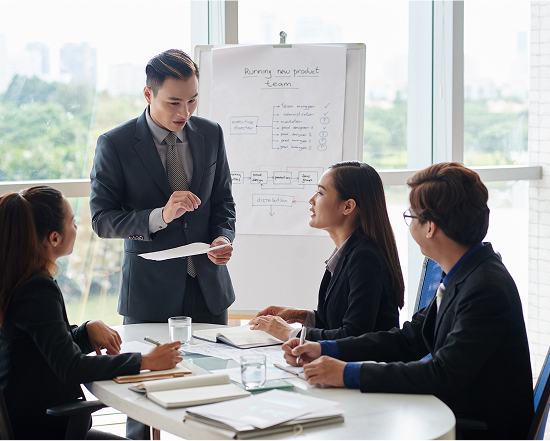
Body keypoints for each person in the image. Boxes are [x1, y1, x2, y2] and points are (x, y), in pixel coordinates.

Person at [282, 163, 534, 439]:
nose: (408, 224)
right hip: (455, 413)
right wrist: (323, 348)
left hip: (476, 428)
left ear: (430, 228)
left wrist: (348, 373)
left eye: (410, 216)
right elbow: (409, 339)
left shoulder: (484, 288)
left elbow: (441, 375)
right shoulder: (464, 272)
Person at [0, 186, 183, 440]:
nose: (76, 229)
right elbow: (71, 367)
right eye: (72, 222)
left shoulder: (18, 278)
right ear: (54, 238)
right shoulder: (36, 288)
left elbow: (47, 346)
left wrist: (85, 331)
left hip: (25, 419)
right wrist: (146, 361)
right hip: (43, 427)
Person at [89, 49, 235, 327]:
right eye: (174, 102)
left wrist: (224, 238)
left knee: (213, 370)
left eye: (192, 100)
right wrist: (161, 216)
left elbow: (223, 201)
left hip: (209, 292)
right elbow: (102, 221)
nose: (185, 112)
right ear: (148, 95)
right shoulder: (115, 144)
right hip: (149, 295)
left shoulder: (211, 133)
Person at [249, 161, 404, 342]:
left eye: (321, 192)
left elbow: (353, 336)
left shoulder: (365, 258)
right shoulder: (348, 251)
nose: (311, 199)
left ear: (348, 207)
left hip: (367, 367)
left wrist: (289, 333)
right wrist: (298, 315)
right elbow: (336, 322)